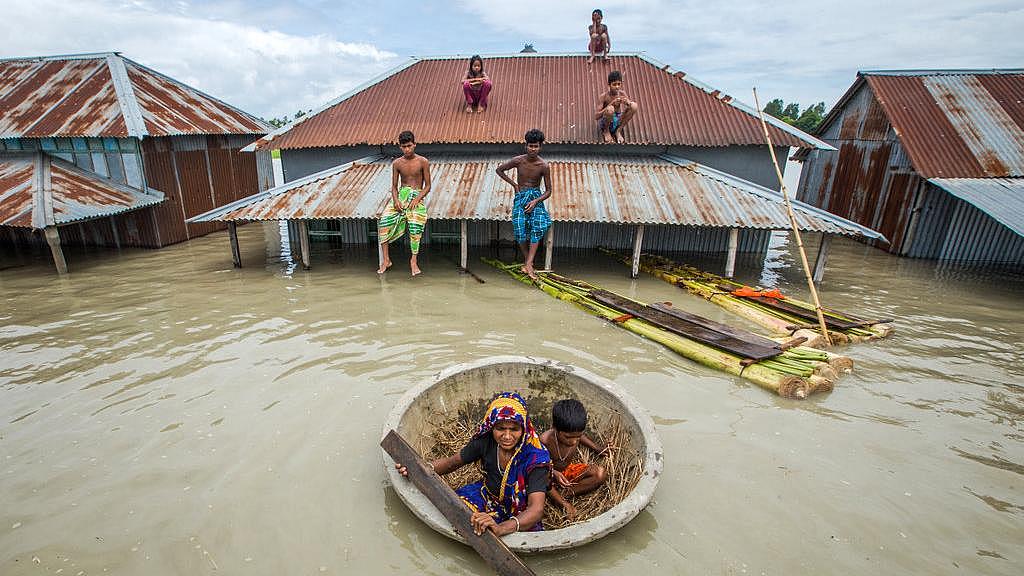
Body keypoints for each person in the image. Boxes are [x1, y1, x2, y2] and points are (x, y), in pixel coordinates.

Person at [395, 392, 551, 536]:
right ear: (492, 427)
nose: (507, 436)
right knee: (456, 512)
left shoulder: (535, 459)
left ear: (523, 429)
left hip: (520, 512)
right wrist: (417, 468)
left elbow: (536, 509)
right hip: (488, 497)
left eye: (514, 429)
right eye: (500, 428)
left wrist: (501, 528)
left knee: (503, 532)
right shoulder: (486, 441)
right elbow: (452, 463)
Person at [495, 128, 552, 280]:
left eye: (536, 146)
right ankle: (528, 262)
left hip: (535, 196)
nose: (533, 149)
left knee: (538, 225)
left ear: (540, 147)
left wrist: (535, 201)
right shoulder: (518, 160)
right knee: (519, 228)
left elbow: (548, 191)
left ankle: (529, 263)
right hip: (520, 197)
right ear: (526, 146)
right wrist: (514, 185)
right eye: (530, 146)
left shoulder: (544, 166)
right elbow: (499, 170)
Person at [540, 399, 611, 519]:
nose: (573, 441)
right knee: (543, 479)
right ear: (555, 429)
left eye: (577, 436)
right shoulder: (545, 441)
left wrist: (598, 449)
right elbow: (539, 467)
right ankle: (561, 502)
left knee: (600, 474)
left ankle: (565, 494)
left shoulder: (575, 434)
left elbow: (580, 436)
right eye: (568, 437)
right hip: (546, 474)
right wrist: (554, 473)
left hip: (567, 471)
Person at [377, 130, 431, 276]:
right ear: (400, 147)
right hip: (401, 196)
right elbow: (394, 187)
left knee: (415, 226)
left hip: (416, 197)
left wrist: (417, 199)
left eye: (409, 146)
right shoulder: (397, 163)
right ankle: (386, 260)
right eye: (404, 147)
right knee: (384, 222)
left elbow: (428, 186)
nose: (407, 149)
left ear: (414, 144)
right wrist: (396, 201)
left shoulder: (423, 161)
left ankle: (413, 261)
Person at [595, 70, 638, 143]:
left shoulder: (622, 93)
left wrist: (628, 103)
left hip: (617, 120)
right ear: (609, 85)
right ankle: (606, 131)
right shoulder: (604, 96)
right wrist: (611, 104)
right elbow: (596, 116)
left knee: (634, 105)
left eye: (619, 84)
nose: (617, 87)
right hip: (606, 122)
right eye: (614, 84)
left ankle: (618, 131)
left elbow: (630, 107)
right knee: (610, 109)